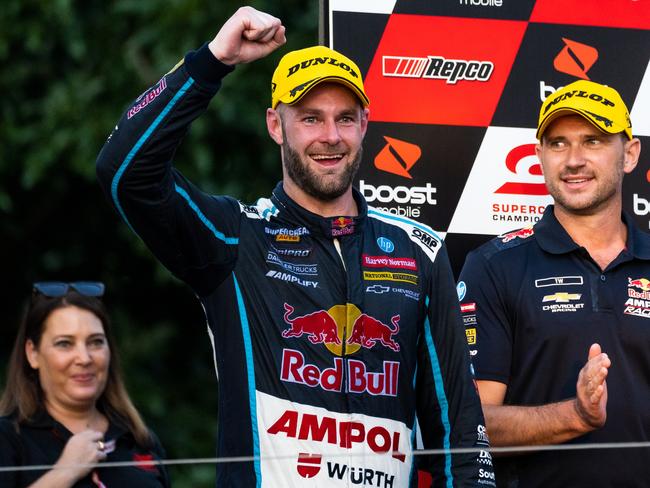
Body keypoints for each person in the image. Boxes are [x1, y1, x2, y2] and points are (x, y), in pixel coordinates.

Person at [96, 6, 494, 487]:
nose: (330, 137)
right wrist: (212, 61)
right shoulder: (235, 238)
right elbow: (124, 171)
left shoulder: (419, 252)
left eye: (345, 118)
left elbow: (459, 438)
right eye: (310, 118)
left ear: (365, 125)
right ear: (275, 125)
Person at [458, 79, 646, 487]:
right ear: (540, 157)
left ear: (630, 154)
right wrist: (575, 415)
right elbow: (469, 424)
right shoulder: (493, 266)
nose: (574, 159)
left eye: (593, 141)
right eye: (558, 143)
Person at [0, 282, 171, 487]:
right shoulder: (8, 438)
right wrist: (64, 473)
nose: (84, 358)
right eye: (65, 343)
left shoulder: (139, 438)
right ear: (33, 353)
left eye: (96, 342)